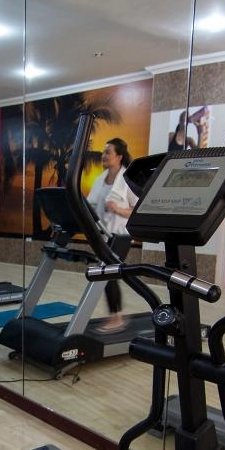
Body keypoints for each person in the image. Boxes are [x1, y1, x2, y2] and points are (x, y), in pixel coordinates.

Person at [85, 137, 136, 333]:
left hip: (121, 235)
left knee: (108, 274)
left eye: (108, 152)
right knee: (105, 274)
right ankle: (115, 316)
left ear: (119, 156)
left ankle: (117, 318)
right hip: (103, 235)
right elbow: (90, 205)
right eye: (103, 152)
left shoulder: (127, 180)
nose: (103, 155)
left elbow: (137, 210)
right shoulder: (100, 179)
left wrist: (117, 209)